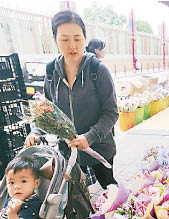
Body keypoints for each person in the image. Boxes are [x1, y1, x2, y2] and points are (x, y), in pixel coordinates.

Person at [24, 10, 118, 190]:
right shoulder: (52, 72)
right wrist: (35, 131)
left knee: (109, 188)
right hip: (69, 151)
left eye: (77, 38)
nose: (72, 45)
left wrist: (89, 138)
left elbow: (111, 113)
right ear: (55, 40)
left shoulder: (98, 71)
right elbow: (48, 110)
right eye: (65, 39)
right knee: (77, 198)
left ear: (84, 38)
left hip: (99, 147)